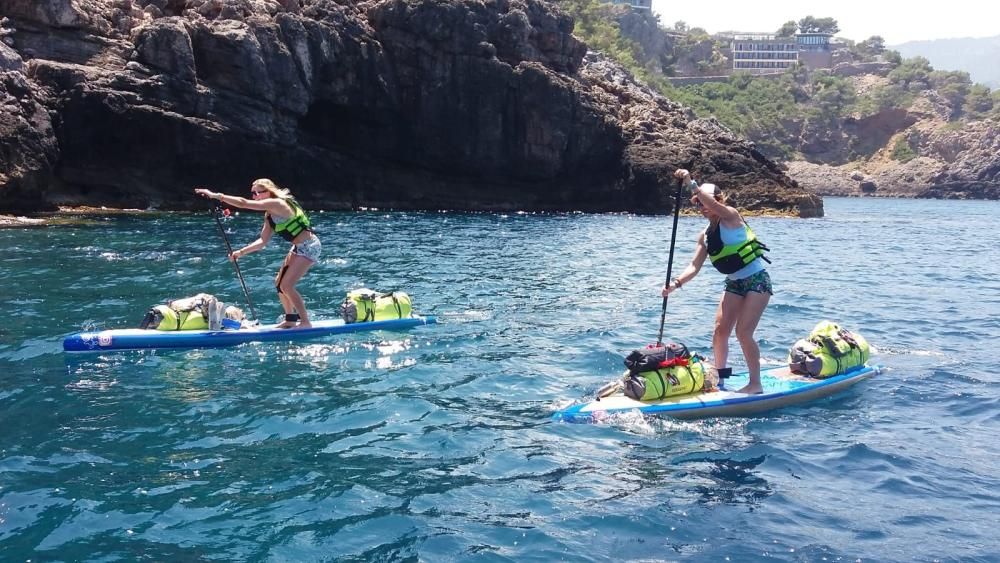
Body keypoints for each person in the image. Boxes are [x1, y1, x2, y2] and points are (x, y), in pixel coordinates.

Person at [661, 168, 772, 394]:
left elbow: (710, 202)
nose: (702, 207)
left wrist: (690, 181)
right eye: (698, 204)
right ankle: (719, 380)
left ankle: (755, 384)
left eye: (705, 202)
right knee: (720, 331)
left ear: (718, 201)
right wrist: (675, 284)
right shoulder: (705, 235)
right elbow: (694, 266)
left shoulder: (731, 216)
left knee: (743, 333)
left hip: (756, 281)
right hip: (734, 283)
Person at [195, 179, 321, 329]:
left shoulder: (277, 203)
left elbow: (243, 203)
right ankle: (290, 319)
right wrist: (240, 253)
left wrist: (215, 196)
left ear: (269, 191)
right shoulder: (269, 215)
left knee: (287, 285)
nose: (254, 196)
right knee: (279, 284)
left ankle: (306, 322)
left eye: (257, 193)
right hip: (298, 247)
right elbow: (262, 241)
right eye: (252, 193)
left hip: (309, 246)